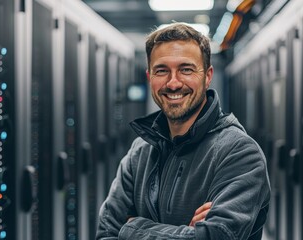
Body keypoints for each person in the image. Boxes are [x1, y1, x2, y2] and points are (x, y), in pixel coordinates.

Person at [96, 22, 270, 240]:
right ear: (150, 77)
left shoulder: (239, 153)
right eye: (162, 70)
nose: (173, 83)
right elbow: (106, 232)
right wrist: (188, 233)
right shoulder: (140, 150)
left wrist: (132, 228)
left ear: (207, 76)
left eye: (186, 69)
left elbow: (217, 236)